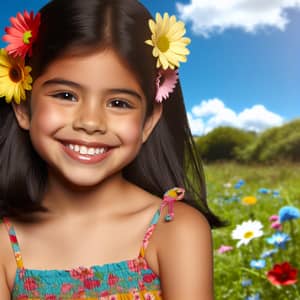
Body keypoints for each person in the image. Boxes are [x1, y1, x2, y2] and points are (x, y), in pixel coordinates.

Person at [0, 0, 223, 298]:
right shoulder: (5, 241)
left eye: (119, 103)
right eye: (66, 95)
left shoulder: (174, 229)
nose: (90, 122)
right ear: (24, 107)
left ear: (148, 121)